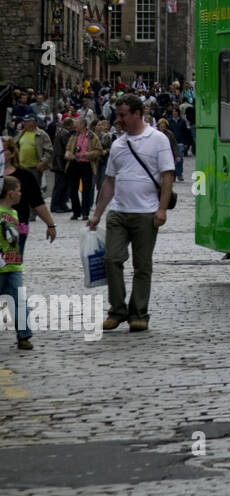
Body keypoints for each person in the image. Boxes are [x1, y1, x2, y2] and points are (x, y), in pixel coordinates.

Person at [86, 95, 174, 333]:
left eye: (123, 115)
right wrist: (97, 214)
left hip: (146, 213)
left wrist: (162, 209)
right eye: (118, 115)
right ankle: (117, 309)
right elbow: (109, 182)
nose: (119, 119)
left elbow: (168, 176)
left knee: (142, 265)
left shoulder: (157, 140)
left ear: (137, 113)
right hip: (119, 212)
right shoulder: (117, 144)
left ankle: (139, 313)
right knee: (111, 259)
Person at [2, 138, 57, 260]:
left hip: (17, 227)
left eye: (3, 150)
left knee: (13, 265)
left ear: (11, 153)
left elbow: (37, 202)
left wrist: (50, 225)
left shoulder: (25, 175)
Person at [1, 175, 35, 350]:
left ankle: (24, 335)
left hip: (14, 265)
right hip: (1, 265)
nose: (21, 194)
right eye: (19, 190)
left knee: (18, 299)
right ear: (10, 193)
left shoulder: (14, 213)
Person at [64, 116, 102, 221]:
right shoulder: (74, 136)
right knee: (72, 189)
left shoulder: (92, 136)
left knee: (86, 189)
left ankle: (85, 212)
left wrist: (88, 154)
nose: (74, 126)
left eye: (76, 124)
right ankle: (76, 212)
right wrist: (68, 154)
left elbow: (99, 151)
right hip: (74, 164)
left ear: (83, 125)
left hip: (86, 165)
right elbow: (68, 148)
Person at [49, 116, 75, 214]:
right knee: (60, 186)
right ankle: (55, 205)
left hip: (61, 163)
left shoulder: (63, 133)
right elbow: (67, 148)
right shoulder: (64, 134)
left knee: (64, 186)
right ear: (69, 125)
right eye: (72, 125)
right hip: (61, 164)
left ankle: (62, 204)